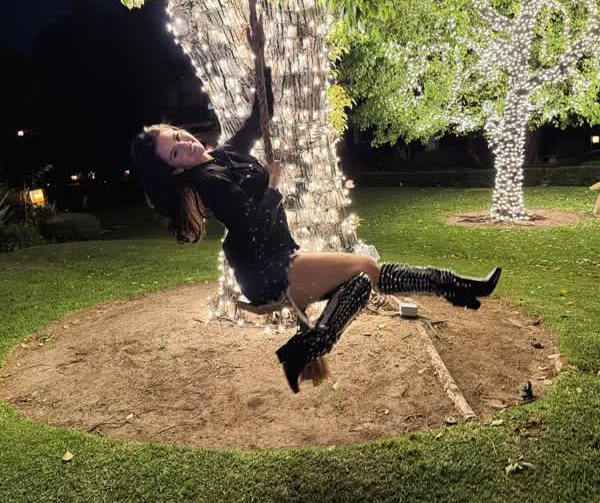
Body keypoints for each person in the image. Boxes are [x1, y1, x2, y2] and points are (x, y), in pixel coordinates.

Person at [131, 33, 501, 394]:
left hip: (279, 253)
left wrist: (261, 59)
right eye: (175, 153)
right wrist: (271, 185)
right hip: (265, 268)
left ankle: (307, 348)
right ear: (174, 169)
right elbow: (250, 219)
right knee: (366, 267)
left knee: (361, 281)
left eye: (177, 136)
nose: (185, 145)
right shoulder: (207, 181)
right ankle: (455, 288)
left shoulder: (222, 156)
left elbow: (259, 119)